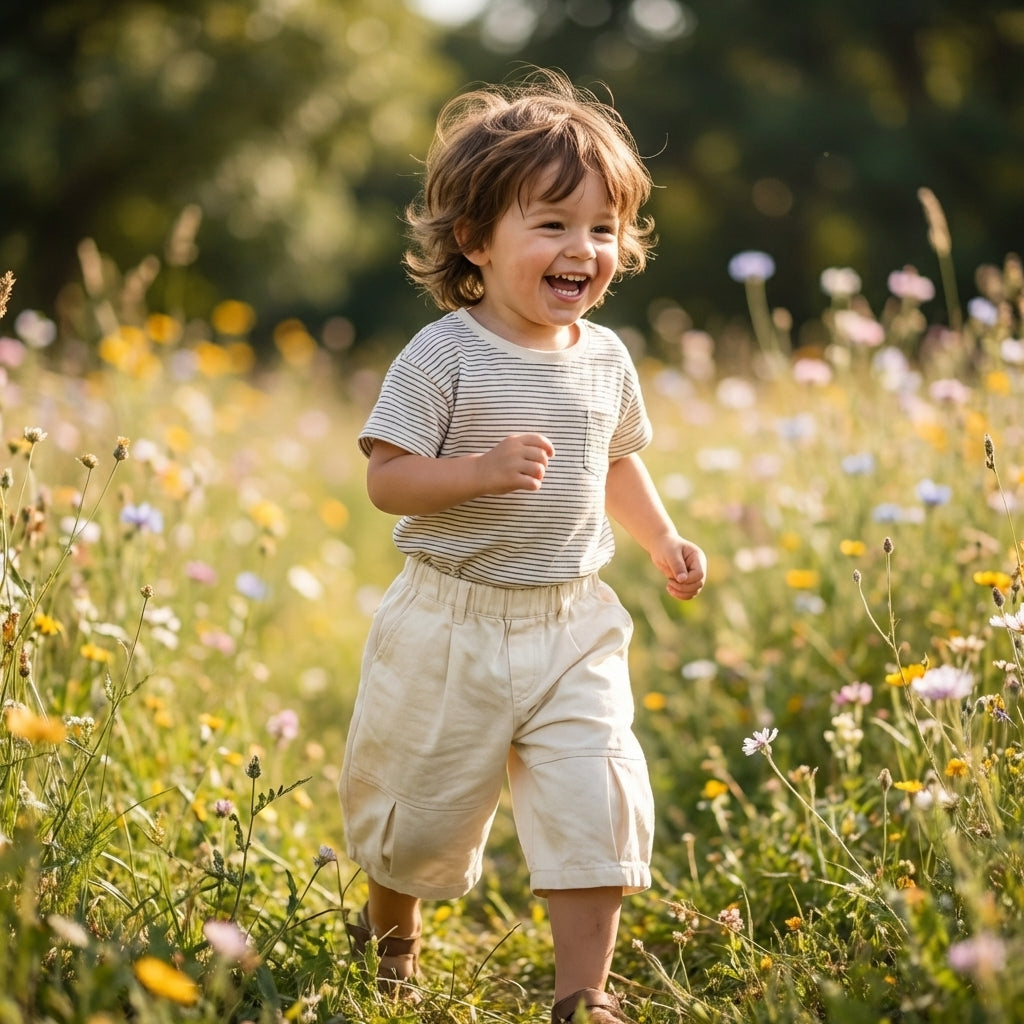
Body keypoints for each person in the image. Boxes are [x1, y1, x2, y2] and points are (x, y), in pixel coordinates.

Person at [338, 67, 707, 1024]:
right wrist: (477, 471)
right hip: (450, 620)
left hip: (572, 621)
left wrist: (662, 537)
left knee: (597, 794)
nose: (581, 249)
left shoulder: (607, 359)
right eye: (551, 224)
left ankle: (583, 994)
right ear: (476, 240)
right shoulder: (445, 353)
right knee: (414, 811)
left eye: (601, 228)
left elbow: (615, 461)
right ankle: (393, 949)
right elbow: (388, 479)